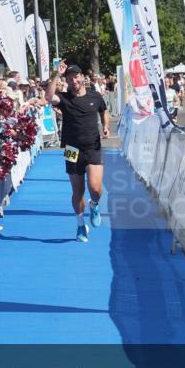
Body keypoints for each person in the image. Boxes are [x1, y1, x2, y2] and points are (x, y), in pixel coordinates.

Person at [45, 60, 110, 242]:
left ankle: (94, 204)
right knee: (78, 191)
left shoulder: (95, 96)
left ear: (82, 77)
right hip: (72, 149)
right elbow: (49, 97)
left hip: (93, 147)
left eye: (76, 76)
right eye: (70, 78)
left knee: (96, 188)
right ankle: (81, 225)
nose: (74, 80)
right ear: (66, 81)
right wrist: (56, 74)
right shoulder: (64, 98)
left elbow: (103, 111)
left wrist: (105, 126)